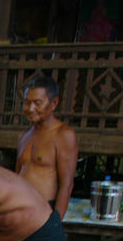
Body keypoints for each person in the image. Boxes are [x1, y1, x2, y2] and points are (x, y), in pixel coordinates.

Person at [16, 74, 78, 218]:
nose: (30, 108)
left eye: (37, 103)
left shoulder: (63, 134)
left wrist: (55, 222)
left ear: (54, 103)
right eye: (26, 102)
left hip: (44, 210)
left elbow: (67, 185)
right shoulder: (23, 136)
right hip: (19, 210)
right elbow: (17, 177)